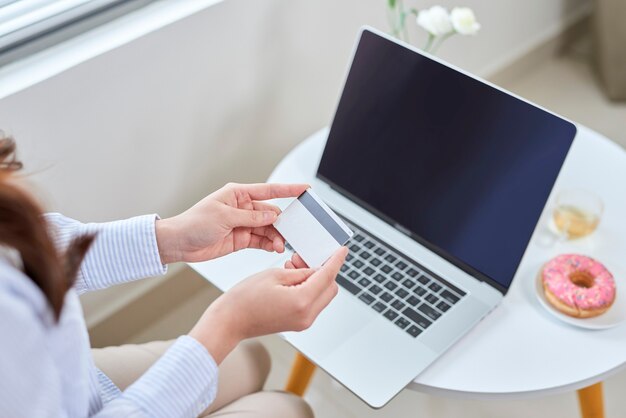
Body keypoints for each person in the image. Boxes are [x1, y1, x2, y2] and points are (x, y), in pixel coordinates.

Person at [0, 133, 348, 417]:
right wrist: (229, 323)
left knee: (253, 358)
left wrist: (171, 237)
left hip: (73, 380)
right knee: (289, 408)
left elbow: (34, 253)